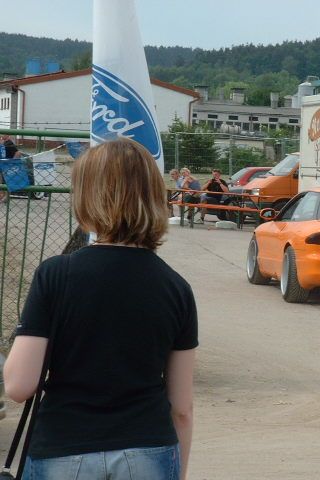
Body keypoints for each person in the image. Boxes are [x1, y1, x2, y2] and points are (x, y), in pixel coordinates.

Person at [3, 138, 197, 480]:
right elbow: (181, 408)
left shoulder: (55, 275)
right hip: (149, 448)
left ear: (88, 197)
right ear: (154, 196)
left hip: (64, 446)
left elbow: (19, 386)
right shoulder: (177, 288)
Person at [0, 135, 23, 202]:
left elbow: (18, 153)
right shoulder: (4, 143)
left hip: (6, 165)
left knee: (6, 181)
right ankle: (3, 196)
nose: (1, 135)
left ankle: (5, 197)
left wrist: (12, 162)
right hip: (3, 165)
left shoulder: (9, 143)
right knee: (2, 182)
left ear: (7, 135)